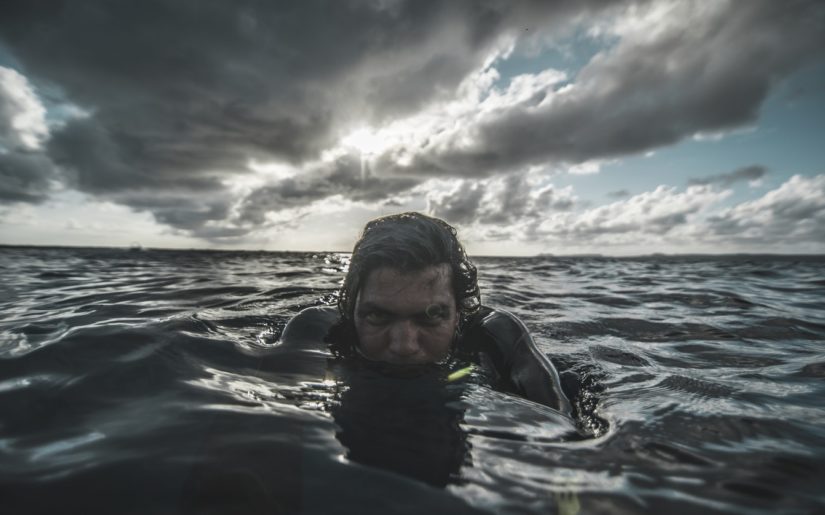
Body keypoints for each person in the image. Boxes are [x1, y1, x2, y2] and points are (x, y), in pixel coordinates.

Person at [281, 212, 571, 414]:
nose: (404, 345)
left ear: (460, 311)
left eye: (431, 316)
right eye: (378, 316)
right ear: (350, 307)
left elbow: (561, 429)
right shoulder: (317, 329)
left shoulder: (495, 336)